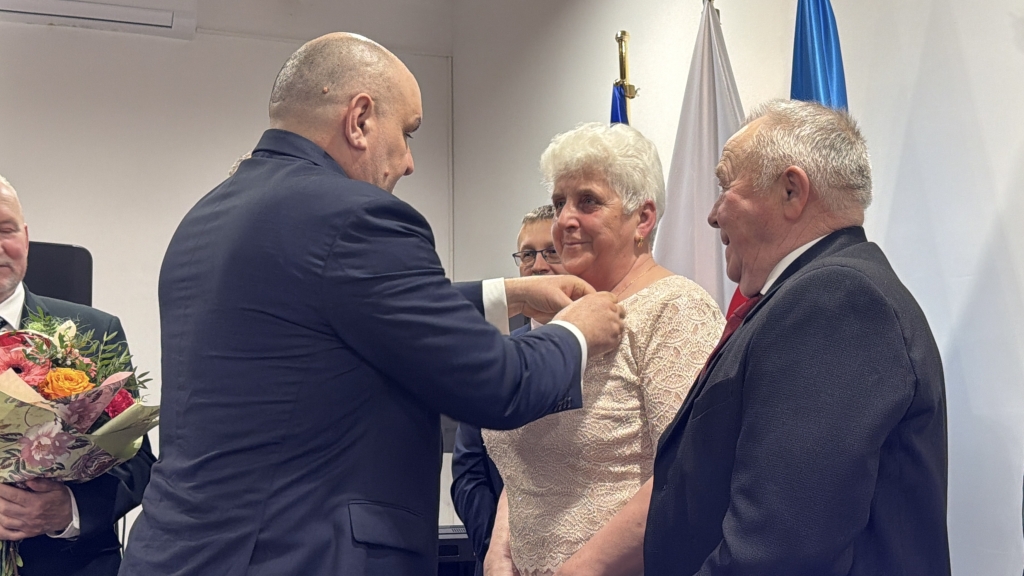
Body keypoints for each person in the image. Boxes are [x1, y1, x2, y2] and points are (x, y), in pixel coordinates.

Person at [120, 33, 626, 576]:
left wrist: (507, 293)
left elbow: (326, 315)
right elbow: (498, 385)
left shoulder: (208, 215)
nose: (409, 162)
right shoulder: (355, 215)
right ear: (359, 119)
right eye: (407, 133)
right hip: (300, 556)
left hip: (181, 552)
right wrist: (576, 331)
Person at [644, 100, 951, 575]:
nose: (712, 215)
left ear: (792, 191)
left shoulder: (835, 300)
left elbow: (778, 551)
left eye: (726, 186)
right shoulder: (818, 294)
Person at [482, 123, 724, 576]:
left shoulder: (676, 309)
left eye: (588, 201)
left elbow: (687, 472)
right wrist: (501, 553)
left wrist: (578, 570)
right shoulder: (561, 320)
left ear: (643, 218)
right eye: (560, 203)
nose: (564, 220)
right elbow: (532, 465)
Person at [0, 175, 154, 576]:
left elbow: (138, 461)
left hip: (71, 565)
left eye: (5, 229)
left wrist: (68, 509)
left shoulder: (97, 333)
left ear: (25, 237)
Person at [451, 204, 566, 576]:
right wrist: (498, 552)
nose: (538, 265)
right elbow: (468, 471)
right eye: (528, 254)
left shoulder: (608, 346)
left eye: (552, 252)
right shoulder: (490, 354)